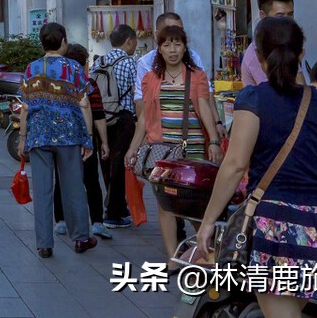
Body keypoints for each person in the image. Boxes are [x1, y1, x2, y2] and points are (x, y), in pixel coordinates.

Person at [199, 17, 317, 315]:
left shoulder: (254, 99)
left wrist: (208, 222)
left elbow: (235, 165)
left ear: (259, 57)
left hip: (275, 226)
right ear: (301, 54)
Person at [125, 24, 223, 264]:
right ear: (159, 48)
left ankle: (207, 250)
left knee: (195, 202)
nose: (172, 50)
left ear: (184, 47)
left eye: (177, 44)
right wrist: (133, 148)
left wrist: (214, 141)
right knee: (165, 203)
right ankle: (172, 257)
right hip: (163, 149)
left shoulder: (196, 76)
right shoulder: (151, 79)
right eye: (167, 44)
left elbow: (204, 108)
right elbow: (145, 118)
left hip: (193, 147)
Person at [18, 22, 97, 257]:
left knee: (42, 190)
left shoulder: (32, 68)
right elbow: (84, 103)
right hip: (69, 136)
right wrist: (88, 137)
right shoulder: (74, 68)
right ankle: (81, 238)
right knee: (74, 187)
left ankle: (44, 244)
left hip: (39, 136)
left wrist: (22, 138)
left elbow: (25, 107)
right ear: (63, 42)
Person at [54, 44, 111, 240]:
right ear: (84, 64)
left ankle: (61, 221)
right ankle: (97, 222)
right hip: (85, 139)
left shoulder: (57, 84)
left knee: (61, 179)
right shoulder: (89, 84)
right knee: (91, 180)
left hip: (62, 140)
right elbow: (99, 115)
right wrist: (104, 142)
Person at [96, 24, 139, 230]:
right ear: (129, 41)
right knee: (120, 163)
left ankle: (118, 207)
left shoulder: (99, 61)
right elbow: (137, 92)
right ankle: (113, 213)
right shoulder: (129, 62)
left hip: (102, 118)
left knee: (107, 162)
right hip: (123, 117)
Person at [241, 0, 295, 86]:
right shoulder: (257, 53)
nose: (287, 22)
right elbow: (278, 92)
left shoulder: (285, 45)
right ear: (263, 15)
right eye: (280, 16)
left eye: (290, 14)